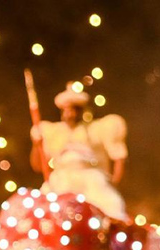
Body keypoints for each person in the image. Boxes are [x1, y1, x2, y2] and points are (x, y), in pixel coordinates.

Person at [30, 83, 128, 220]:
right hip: (61, 182)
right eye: (67, 110)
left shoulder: (94, 130)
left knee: (108, 210)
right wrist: (36, 145)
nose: (70, 114)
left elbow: (118, 155)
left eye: (74, 110)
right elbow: (38, 166)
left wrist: (114, 182)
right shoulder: (54, 133)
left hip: (91, 182)